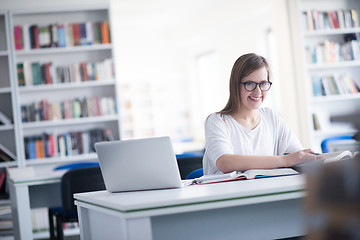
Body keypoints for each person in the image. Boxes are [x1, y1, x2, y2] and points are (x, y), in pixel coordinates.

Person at [203, 53, 322, 175]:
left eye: (263, 83)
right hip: (229, 193)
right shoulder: (217, 121)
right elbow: (225, 162)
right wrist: (284, 160)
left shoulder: (270, 116)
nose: (258, 91)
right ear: (235, 85)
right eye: (250, 84)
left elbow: (297, 155)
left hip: (268, 190)